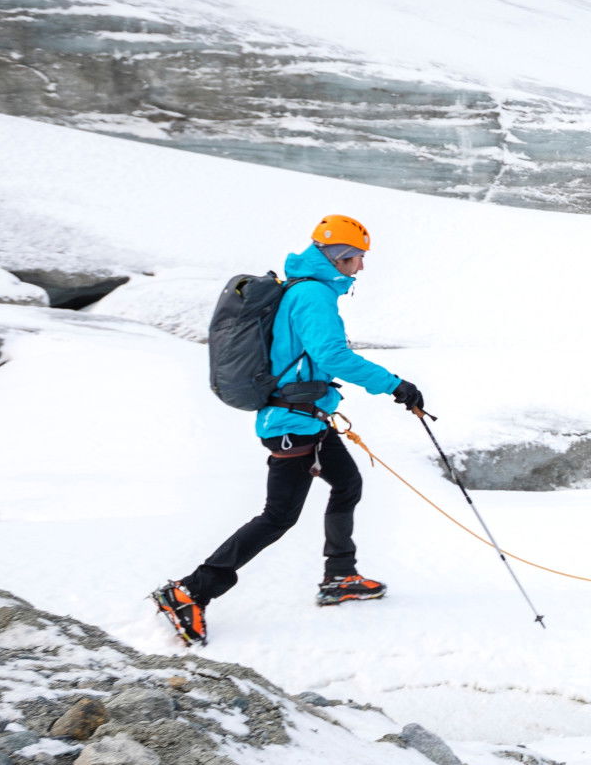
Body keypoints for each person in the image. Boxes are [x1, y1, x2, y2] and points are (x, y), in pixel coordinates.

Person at [154, 214, 422, 645]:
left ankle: (340, 576)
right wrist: (394, 385)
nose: (361, 266)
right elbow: (332, 356)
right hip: (293, 424)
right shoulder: (313, 294)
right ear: (337, 257)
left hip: (306, 417)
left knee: (347, 483)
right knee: (278, 517)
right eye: (356, 257)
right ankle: (190, 591)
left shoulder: (305, 289)